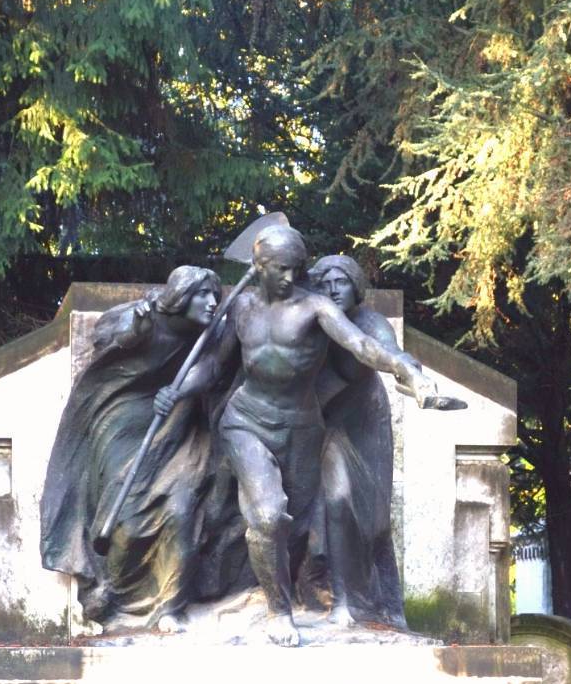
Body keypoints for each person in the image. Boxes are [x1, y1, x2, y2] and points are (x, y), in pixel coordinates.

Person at [153, 225, 450, 645]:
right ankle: (279, 612)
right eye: (281, 269)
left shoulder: (315, 308)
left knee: (293, 530)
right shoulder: (240, 308)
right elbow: (217, 366)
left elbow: (362, 345)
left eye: (297, 269)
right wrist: (178, 390)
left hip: (301, 430)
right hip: (246, 422)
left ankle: (295, 594)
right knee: (268, 514)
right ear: (259, 268)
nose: (291, 278)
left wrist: (409, 373)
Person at [41, 266, 249, 630]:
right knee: (128, 516)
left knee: (181, 508)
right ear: (181, 296)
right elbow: (106, 332)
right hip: (123, 417)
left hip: (179, 423)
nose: (212, 302)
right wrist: (133, 330)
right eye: (202, 294)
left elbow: (213, 368)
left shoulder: (213, 333)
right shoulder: (147, 316)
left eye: (215, 295)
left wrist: (180, 390)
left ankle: (170, 606)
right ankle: (114, 592)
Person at [306, 254, 406, 629]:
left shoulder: (370, 322)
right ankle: (341, 601)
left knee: (376, 520)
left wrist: (409, 369)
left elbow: (388, 351)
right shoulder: (314, 323)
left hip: (366, 422)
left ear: (356, 286)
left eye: (341, 281)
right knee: (337, 501)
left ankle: (391, 606)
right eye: (326, 282)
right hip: (326, 426)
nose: (333, 289)